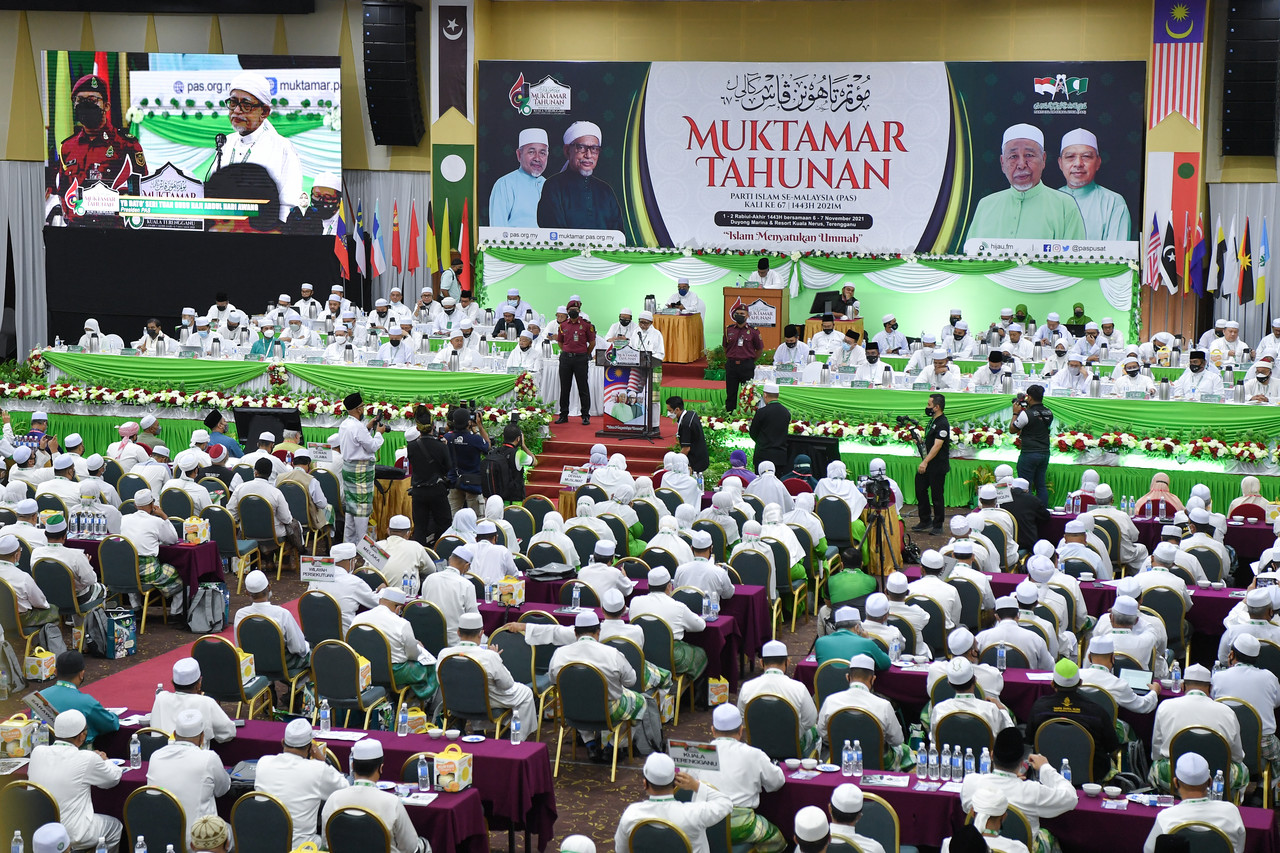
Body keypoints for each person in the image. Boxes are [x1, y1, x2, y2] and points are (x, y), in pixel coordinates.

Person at [547, 610, 646, 761]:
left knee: (576, 695)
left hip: (571, 711)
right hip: (608, 712)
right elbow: (631, 681)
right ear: (598, 632)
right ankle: (612, 746)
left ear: (575, 633)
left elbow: (553, 680)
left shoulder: (559, 654)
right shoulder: (612, 653)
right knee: (641, 702)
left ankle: (590, 743)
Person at [686, 705, 786, 853]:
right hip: (741, 826)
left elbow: (686, 787)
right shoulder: (754, 754)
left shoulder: (697, 753)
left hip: (704, 823)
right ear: (741, 731)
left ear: (712, 731)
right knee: (777, 839)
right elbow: (777, 782)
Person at [960, 727, 1076, 853]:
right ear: (1022, 763)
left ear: (991, 755)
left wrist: (1011, 780)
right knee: (1048, 835)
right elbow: (1071, 798)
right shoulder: (1032, 791)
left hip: (978, 847)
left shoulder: (970, 783)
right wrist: (1045, 768)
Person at [206, 71, 302, 221]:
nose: (236, 111)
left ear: (264, 112)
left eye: (246, 105)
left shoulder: (282, 148)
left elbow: (288, 205)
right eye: (233, 103)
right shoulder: (226, 143)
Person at [967, 123, 1086, 241]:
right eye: (1013, 156)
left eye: (1029, 155)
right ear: (1003, 163)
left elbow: (1075, 258)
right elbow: (971, 255)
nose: (1021, 165)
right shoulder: (986, 206)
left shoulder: (1065, 206)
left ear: (1043, 159)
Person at [28, 710, 123, 852]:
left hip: (40, 829)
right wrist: (107, 762)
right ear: (82, 736)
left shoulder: (37, 752)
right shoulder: (87, 758)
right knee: (115, 827)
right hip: (73, 832)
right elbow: (112, 779)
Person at [56, 72, 147, 215]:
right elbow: (63, 192)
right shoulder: (67, 147)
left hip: (115, 229)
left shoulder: (127, 145)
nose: (85, 104)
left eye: (92, 100)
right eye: (79, 100)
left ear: (106, 106)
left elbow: (141, 193)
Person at [320, 739, 428, 853]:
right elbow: (410, 847)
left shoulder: (334, 799)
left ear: (352, 766)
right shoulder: (391, 802)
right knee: (423, 845)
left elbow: (326, 844)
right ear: (381, 768)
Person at [256, 718, 350, 848]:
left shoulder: (263, 763)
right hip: (301, 847)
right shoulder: (318, 769)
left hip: (263, 844)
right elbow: (345, 789)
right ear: (311, 747)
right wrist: (323, 760)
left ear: (283, 742)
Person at [614, 753, 733, 853]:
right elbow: (726, 803)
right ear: (675, 782)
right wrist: (696, 785)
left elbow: (621, 850)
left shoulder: (631, 814)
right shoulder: (693, 813)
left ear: (645, 784)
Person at [1026, 659, 1120, 782]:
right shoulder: (1097, 711)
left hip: (1046, 775)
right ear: (1080, 683)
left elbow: (1029, 740)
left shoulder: (1039, 708)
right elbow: (1112, 747)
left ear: (1053, 684)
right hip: (1092, 776)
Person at [146, 709, 231, 843]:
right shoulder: (208, 758)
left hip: (161, 838)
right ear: (202, 737)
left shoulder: (156, 756)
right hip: (201, 840)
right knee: (237, 834)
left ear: (174, 734)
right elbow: (222, 790)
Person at [810, 653, 908, 769]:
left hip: (840, 762)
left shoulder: (830, 701)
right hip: (877, 766)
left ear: (847, 677)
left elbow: (824, 734)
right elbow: (897, 740)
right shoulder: (884, 706)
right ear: (873, 679)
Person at [439, 611, 537, 726]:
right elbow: (507, 684)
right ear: (481, 633)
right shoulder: (489, 657)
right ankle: (517, 737)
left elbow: (440, 682)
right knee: (526, 692)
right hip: (485, 703)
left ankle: (479, 729)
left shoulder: (443, 654)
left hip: (455, 701)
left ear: (458, 632)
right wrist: (496, 659)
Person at [1143, 752, 1247, 853]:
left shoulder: (1165, 818)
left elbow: (1149, 850)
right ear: (1210, 782)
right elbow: (1239, 849)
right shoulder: (1231, 811)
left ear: (1175, 783)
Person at [350, 587, 437, 703]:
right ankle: (417, 704)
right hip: (393, 672)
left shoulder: (358, 618)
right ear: (398, 608)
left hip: (363, 671)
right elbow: (413, 654)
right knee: (430, 667)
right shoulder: (401, 624)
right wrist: (417, 645)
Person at [537, 121, 624, 231]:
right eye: (581, 147)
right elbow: (554, 234)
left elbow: (618, 234)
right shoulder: (553, 187)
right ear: (567, 151)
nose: (588, 155)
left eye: (594, 149)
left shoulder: (606, 191)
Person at [736, 640, 818, 755]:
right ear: (787, 662)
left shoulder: (747, 687)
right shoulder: (799, 688)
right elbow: (810, 720)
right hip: (792, 748)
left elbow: (742, 719)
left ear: (761, 662)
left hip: (758, 747)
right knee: (815, 731)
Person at [628, 567, 708, 681]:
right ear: (670, 586)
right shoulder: (678, 607)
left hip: (642, 654)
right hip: (670, 657)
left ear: (648, 586)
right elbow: (700, 626)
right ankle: (693, 696)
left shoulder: (635, 602)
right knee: (700, 653)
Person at [1056, 128, 1131, 240]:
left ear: (1098, 163)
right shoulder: (1047, 201)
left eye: (1086, 156)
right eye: (1070, 157)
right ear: (1060, 163)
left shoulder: (1113, 202)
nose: (1078, 164)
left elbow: (1117, 255)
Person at [234, 569, 310, 673]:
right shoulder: (282, 614)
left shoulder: (240, 615)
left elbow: (239, 646)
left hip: (254, 664)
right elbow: (298, 648)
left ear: (247, 593)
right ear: (269, 587)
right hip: (282, 664)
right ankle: (303, 687)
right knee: (313, 654)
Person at [150, 658, 236, 744]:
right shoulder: (207, 702)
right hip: (194, 756)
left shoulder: (161, 698)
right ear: (198, 684)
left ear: (173, 683)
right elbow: (228, 732)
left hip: (159, 755)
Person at [309, 542, 378, 633]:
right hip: (344, 640)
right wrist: (381, 591)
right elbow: (376, 602)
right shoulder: (354, 582)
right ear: (351, 561)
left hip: (315, 636)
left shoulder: (314, 579)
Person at [419, 546, 479, 645]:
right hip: (456, 642)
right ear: (467, 566)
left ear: (449, 560)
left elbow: (425, 608)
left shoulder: (430, 579)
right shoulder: (467, 585)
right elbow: (474, 618)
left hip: (429, 639)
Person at [489, 128, 549, 228]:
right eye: (531, 152)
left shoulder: (550, 186)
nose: (537, 158)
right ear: (519, 155)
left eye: (542, 153)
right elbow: (497, 230)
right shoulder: (505, 184)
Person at [912, 393, 952, 535]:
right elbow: (931, 441)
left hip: (937, 465)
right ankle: (925, 520)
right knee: (920, 489)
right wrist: (921, 442)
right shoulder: (932, 421)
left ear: (937, 407)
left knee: (937, 495)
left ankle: (938, 524)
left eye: (929, 405)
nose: (927, 407)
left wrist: (925, 461)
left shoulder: (942, 423)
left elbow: (937, 446)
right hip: (928, 463)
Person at [1009, 383, 1053, 504]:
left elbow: (1013, 429)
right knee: (1041, 485)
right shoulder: (1049, 412)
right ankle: (1042, 511)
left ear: (1029, 397)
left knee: (1024, 485)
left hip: (1029, 453)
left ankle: (1027, 511)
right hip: (1044, 453)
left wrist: (1015, 413)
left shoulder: (1025, 414)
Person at [555, 295, 596, 425]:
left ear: (579, 311)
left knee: (583, 387)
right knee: (565, 387)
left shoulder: (586, 325)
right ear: (567, 311)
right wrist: (567, 351)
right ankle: (563, 415)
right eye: (571, 309)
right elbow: (560, 342)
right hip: (566, 359)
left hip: (580, 359)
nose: (574, 311)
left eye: (576, 309)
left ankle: (585, 415)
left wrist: (584, 354)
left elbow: (592, 343)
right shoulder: (563, 325)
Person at [723, 303, 763, 412]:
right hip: (731, 366)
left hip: (746, 366)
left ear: (747, 316)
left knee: (748, 394)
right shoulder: (729, 330)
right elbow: (725, 347)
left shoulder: (753, 331)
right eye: (737, 313)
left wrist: (749, 361)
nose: (739, 315)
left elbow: (759, 349)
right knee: (731, 394)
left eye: (742, 313)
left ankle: (746, 417)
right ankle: (729, 416)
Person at [908, 549, 963, 627]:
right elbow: (955, 620)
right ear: (942, 570)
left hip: (916, 635)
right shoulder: (951, 590)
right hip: (943, 637)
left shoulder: (909, 588)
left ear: (922, 569)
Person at [749, 383, 790, 473]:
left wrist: (762, 442)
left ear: (765, 395)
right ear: (778, 395)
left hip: (763, 456)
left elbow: (753, 433)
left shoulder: (761, 412)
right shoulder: (786, 412)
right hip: (779, 457)